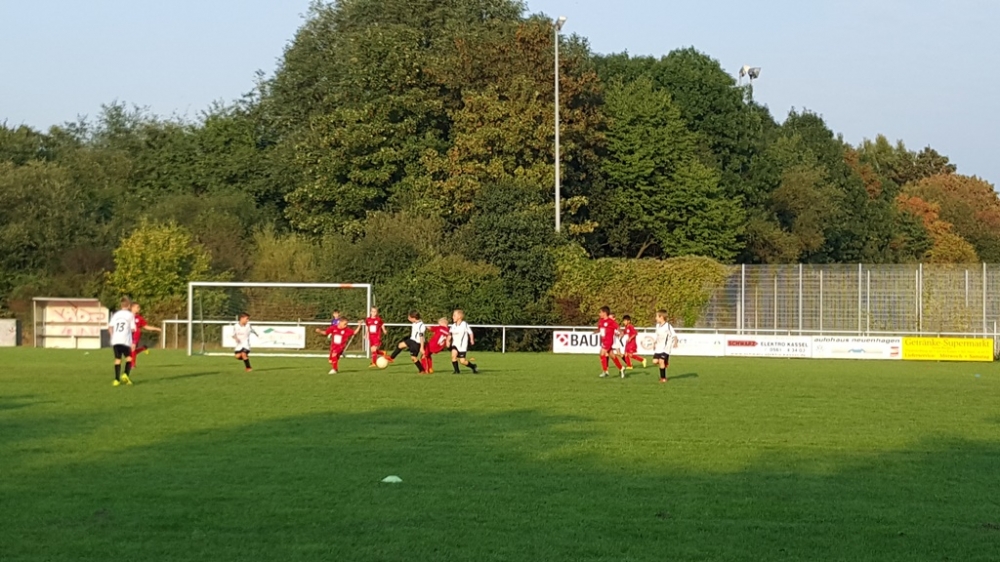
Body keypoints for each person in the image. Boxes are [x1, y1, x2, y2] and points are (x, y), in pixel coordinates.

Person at [108, 297, 137, 386]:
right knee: (129, 359)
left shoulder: (116, 314)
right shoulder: (130, 315)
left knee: (117, 359)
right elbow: (133, 329)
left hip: (116, 340)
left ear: (121, 305)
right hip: (125, 340)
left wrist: (112, 336)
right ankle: (125, 374)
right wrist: (133, 341)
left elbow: (110, 327)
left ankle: (116, 380)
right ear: (129, 306)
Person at [128, 302, 162, 372]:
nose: (139, 309)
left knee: (132, 348)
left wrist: (156, 329)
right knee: (129, 352)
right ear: (132, 308)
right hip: (127, 335)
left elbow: (146, 326)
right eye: (137, 307)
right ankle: (143, 348)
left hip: (136, 335)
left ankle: (133, 365)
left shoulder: (139, 318)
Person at [596, 306, 624, 378]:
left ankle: (605, 371)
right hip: (604, 341)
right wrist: (596, 332)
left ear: (604, 313)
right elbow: (600, 329)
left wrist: (621, 332)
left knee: (602, 353)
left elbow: (617, 327)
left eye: (600, 312)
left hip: (608, 341)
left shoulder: (610, 321)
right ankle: (621, 368)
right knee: (612, 355)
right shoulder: (601, 321)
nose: (599, 314)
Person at [652, 310, 678, 383]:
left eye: (657, 316)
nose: (655, 318)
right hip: (659, 348)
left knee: (661, 361)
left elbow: (674, 335)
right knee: (654, 361)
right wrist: (654, 343)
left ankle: (663, 378)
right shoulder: (657, 326)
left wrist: (675, 342)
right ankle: (665, 362)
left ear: (661, 317)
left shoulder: (668, 326)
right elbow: (657, 335)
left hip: (666, 348)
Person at [449, 309, 478, 374]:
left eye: (454, 315)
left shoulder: (464, 324)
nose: (452, 317)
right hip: (455, 344)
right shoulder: (453, 326)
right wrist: (448, 340)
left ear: (459, 316)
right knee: (453, 356)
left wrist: (471, 339)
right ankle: (456, 371)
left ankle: (473, 366)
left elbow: (470, 332)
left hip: (462, 346)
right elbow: (450, 334)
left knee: (462, 361)